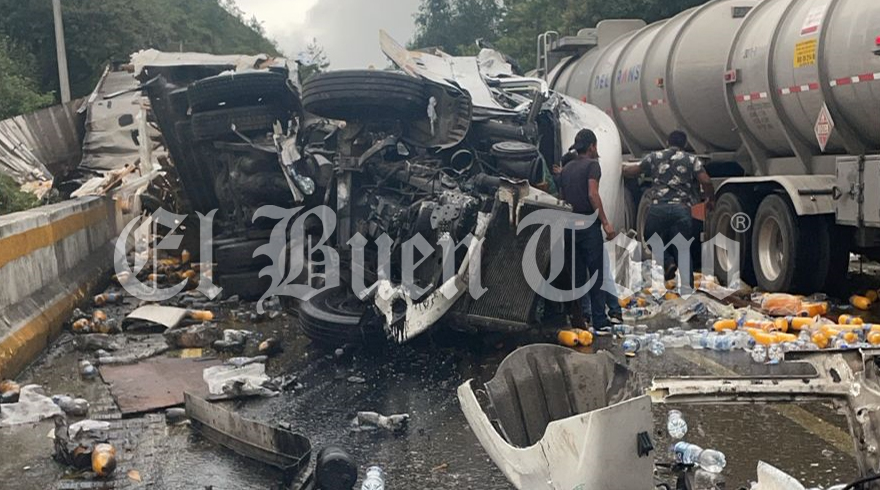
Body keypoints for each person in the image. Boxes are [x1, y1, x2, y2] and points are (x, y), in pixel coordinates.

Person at [623, 130, 715, 289]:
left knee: (649, 237)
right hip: (682, 209)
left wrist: (621, 169)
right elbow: (706, 181)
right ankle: (687, 290)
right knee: (682, 248)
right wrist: (710, 199)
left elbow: (634, 171)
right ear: (684, 144)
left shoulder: (655, 156)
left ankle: (668, 261)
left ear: (667, 142)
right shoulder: (692, 159)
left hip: (658, 208)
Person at [556, 129, 616, 329]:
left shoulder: (566, 169)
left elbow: (562, 198)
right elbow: (592, 194)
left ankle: (583, 319)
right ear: (592, 146)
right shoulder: (592, 165)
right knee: (596, 273)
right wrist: (605, 222)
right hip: (588, 226)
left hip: (569, 225)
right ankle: (600, 320)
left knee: (578, 275)